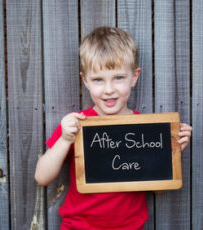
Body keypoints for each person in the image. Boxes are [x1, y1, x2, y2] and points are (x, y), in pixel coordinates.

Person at [35, 27, 192, 230]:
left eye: (118, 78)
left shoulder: (147, 130)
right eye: (98, 79)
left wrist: (171, 152)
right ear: (85, 81)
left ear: (134, 77)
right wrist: (65, 140)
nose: (109, 90)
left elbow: (158, 190)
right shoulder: (77, 125)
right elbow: (41, 177)